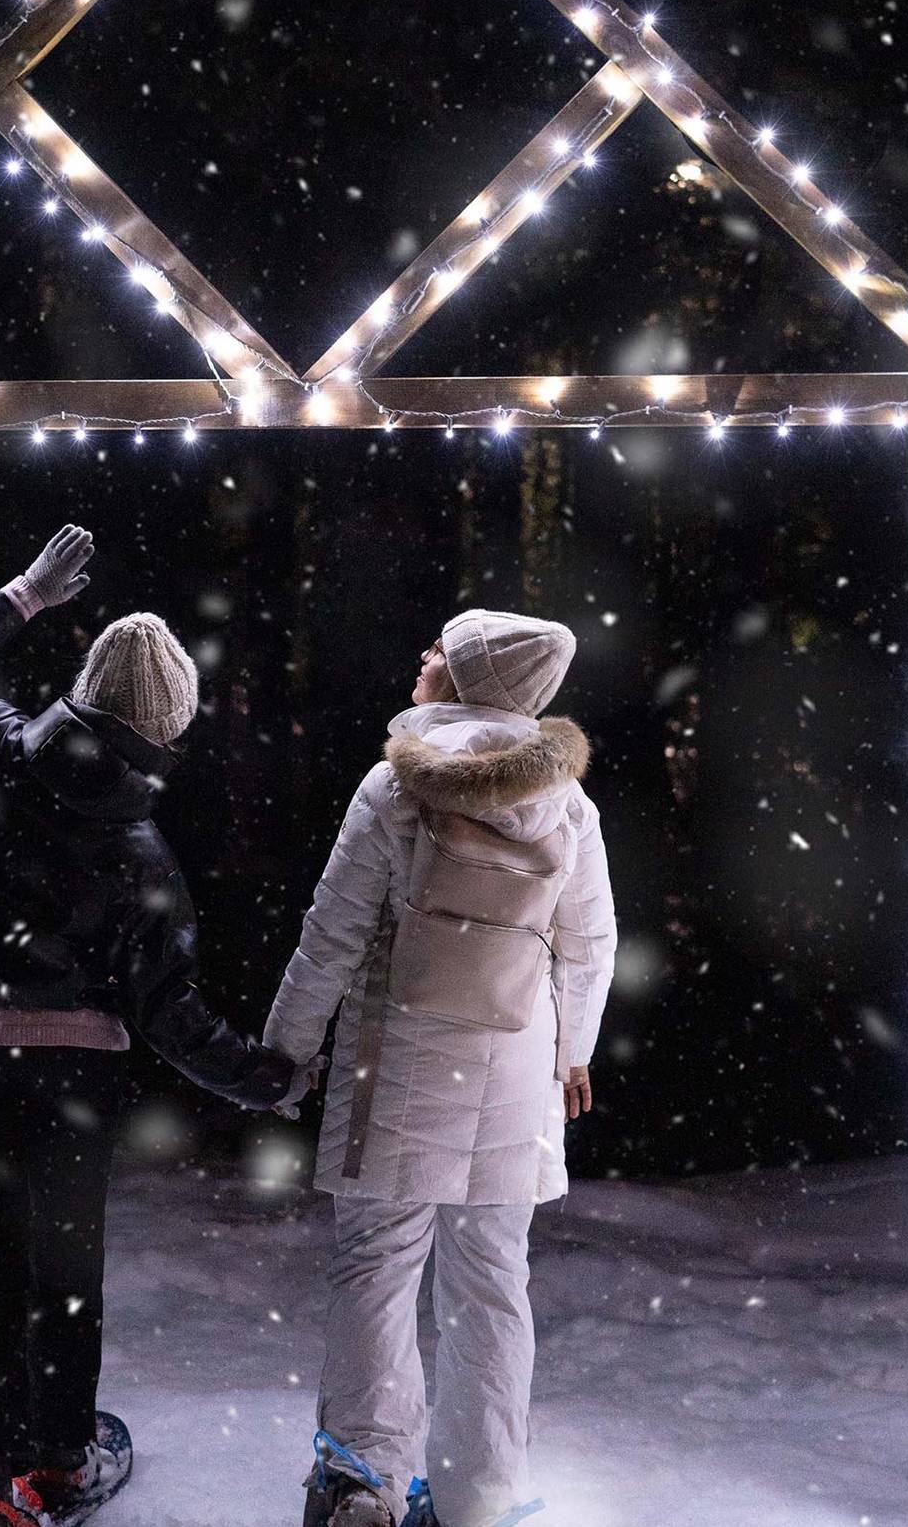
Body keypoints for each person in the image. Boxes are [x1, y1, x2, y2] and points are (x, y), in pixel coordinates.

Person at [0, 526, 316, 1527]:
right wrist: (272, 1078)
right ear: (164, 739)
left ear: (83, 694)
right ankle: (59, 1461)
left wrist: (22, 594)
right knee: (63, 1272)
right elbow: (173, 1018)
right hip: (69, 1082)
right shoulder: (144, 860)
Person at [264, 609, 617, 1527]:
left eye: (440, 650)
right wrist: (572, 1050)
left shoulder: (395, 786)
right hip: (517, 1072)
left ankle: (361, 1480)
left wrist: (287, 1048)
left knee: (376, 1265)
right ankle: (479, 1497)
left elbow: (332, 933)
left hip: (397, 1066)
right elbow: (590, 945)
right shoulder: (568, 803)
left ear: (470, 678)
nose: (423, 658)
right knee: (492, 1282)